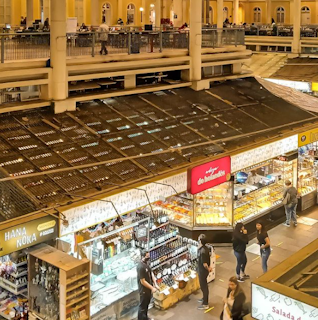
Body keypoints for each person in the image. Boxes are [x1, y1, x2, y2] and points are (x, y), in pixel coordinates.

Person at [137, 250, 158, 320]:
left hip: (149, 289)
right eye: (147, 256)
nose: (148, 257)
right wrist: (152, 288)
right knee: (142, 306)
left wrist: (155, 284)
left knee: (146, 305)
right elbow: (142, 281)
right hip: (144, 290)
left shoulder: (147, 263)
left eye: (149, 256)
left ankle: (145, 318)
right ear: (142, 256)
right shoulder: (140, 267)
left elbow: (151, 272)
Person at [197, 234, 212, 310]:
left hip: (202, 271)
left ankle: (205, 303)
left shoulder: (203, 251)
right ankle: (204, 298)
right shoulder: (204, 248)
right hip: (202, 270)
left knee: (204, 286)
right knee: (204, 286)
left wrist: (208, 268)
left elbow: (204, 263)